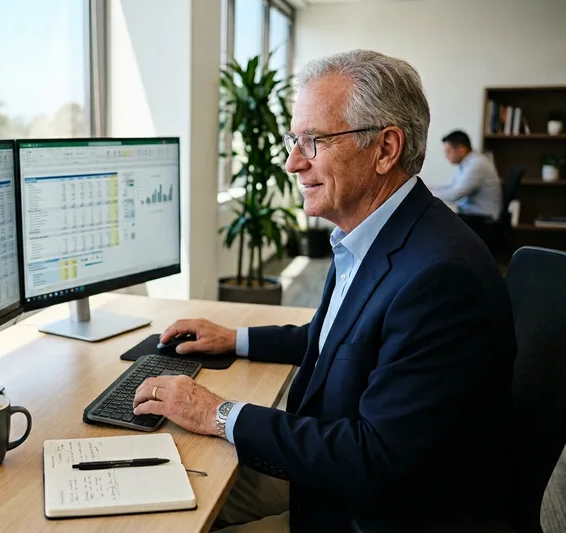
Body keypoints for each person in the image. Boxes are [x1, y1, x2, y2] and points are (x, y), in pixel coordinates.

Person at [132, 50, 515, 533]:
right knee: (157, 493)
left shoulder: (439, 277)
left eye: (313, 141)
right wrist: (236, 339)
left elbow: (373, 457)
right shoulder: (379, 231)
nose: (293, 163)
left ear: (385, 149)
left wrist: (217, 411)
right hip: (335, 473)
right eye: (295, 140)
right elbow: (342, 338)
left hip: (373, 509)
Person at [433, 130, 503, 221]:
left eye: (448, 151)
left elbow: (455, 194)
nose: (446, 155)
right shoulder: (467, 163)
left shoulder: (477, 164)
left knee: (436, 215)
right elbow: (449, 186)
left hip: (483, 218)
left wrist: (427, 195)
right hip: (472, 212)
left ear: (461, 150)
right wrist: (426, 189)